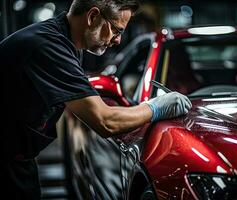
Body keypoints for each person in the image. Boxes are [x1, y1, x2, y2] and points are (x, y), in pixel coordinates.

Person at [0, 0, 192, 199]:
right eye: (117, 30)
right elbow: (105, 121)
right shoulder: (49, 46)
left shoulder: (63, 42)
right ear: (93, 17)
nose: (118, 40)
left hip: (15, 158)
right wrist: (156, 108)